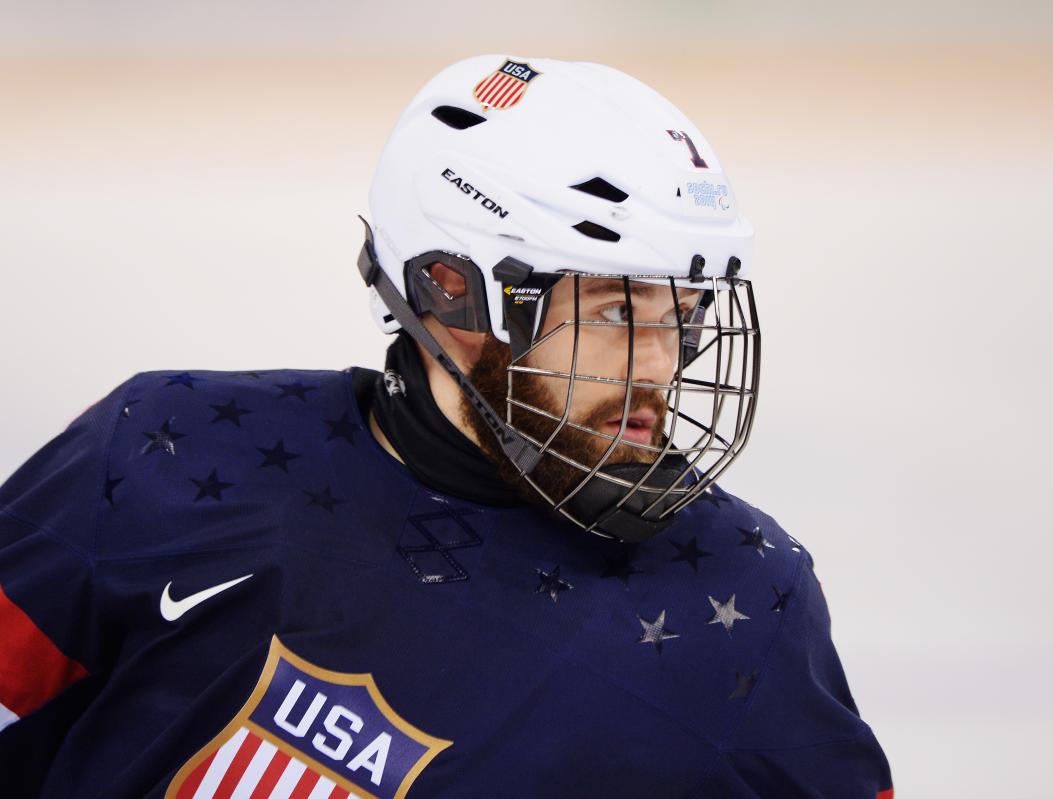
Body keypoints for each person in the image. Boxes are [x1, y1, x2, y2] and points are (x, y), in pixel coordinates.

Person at [0, 55, 892, 798]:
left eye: (684, 314)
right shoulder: (167, 450)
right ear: (453, 291)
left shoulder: (743, 602)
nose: (662, 364)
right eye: (619, 313)